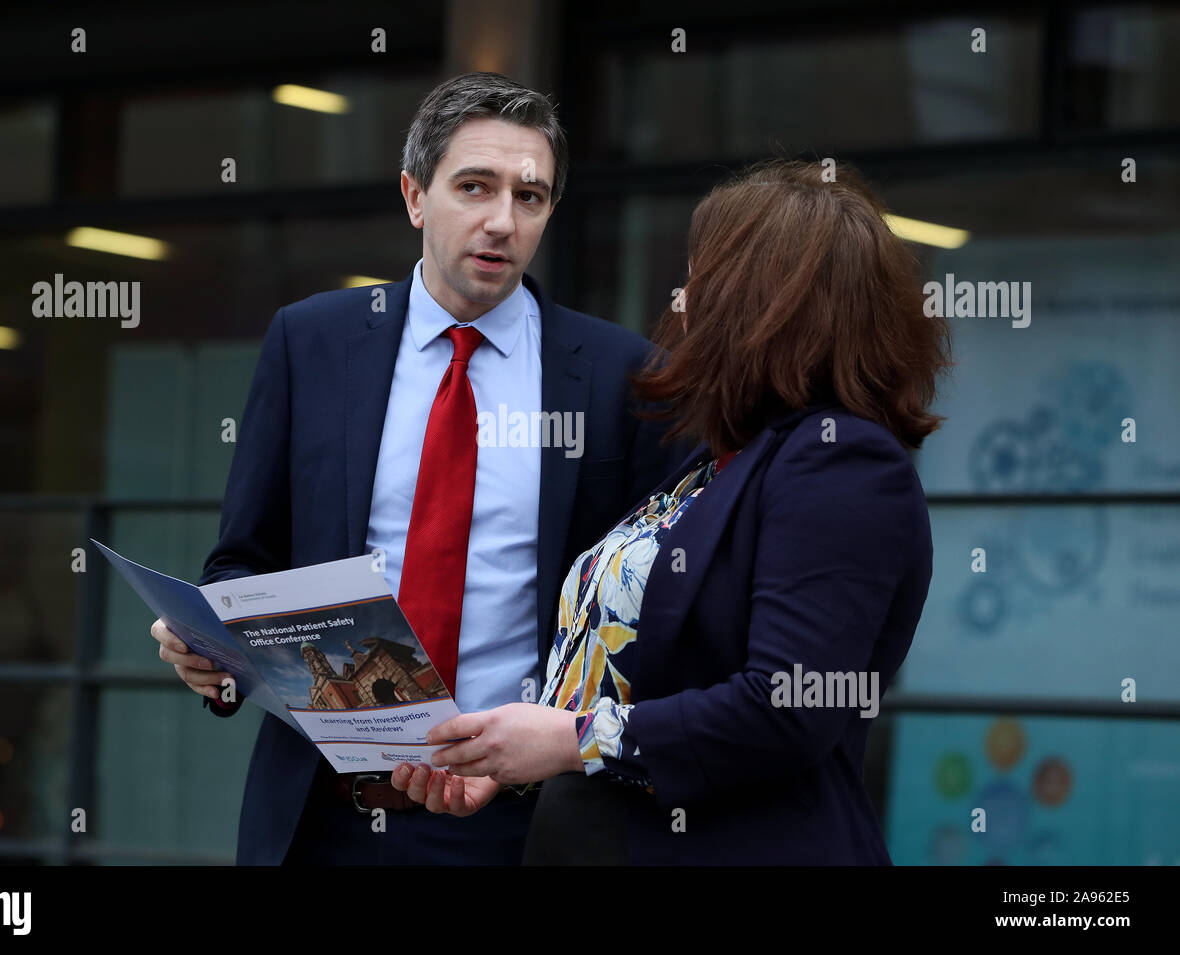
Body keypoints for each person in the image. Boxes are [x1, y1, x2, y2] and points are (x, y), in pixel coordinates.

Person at [147, 72, 688, 865]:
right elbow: (245, 559)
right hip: (323, 818)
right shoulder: (313, 343)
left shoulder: (615, 374)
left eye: (530, 197)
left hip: (519, 827)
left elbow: (649, 607)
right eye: (474, 186)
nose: (502, 221)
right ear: (414, 195)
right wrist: (213, 658)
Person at [390, 158, 953, 864]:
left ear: (764, 304)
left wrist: (571, 739)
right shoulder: (716, 464)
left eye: (701, 279)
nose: (683, 301)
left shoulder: (839, 461)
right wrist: (506, 760)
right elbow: (627, 686)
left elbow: (787, 706)